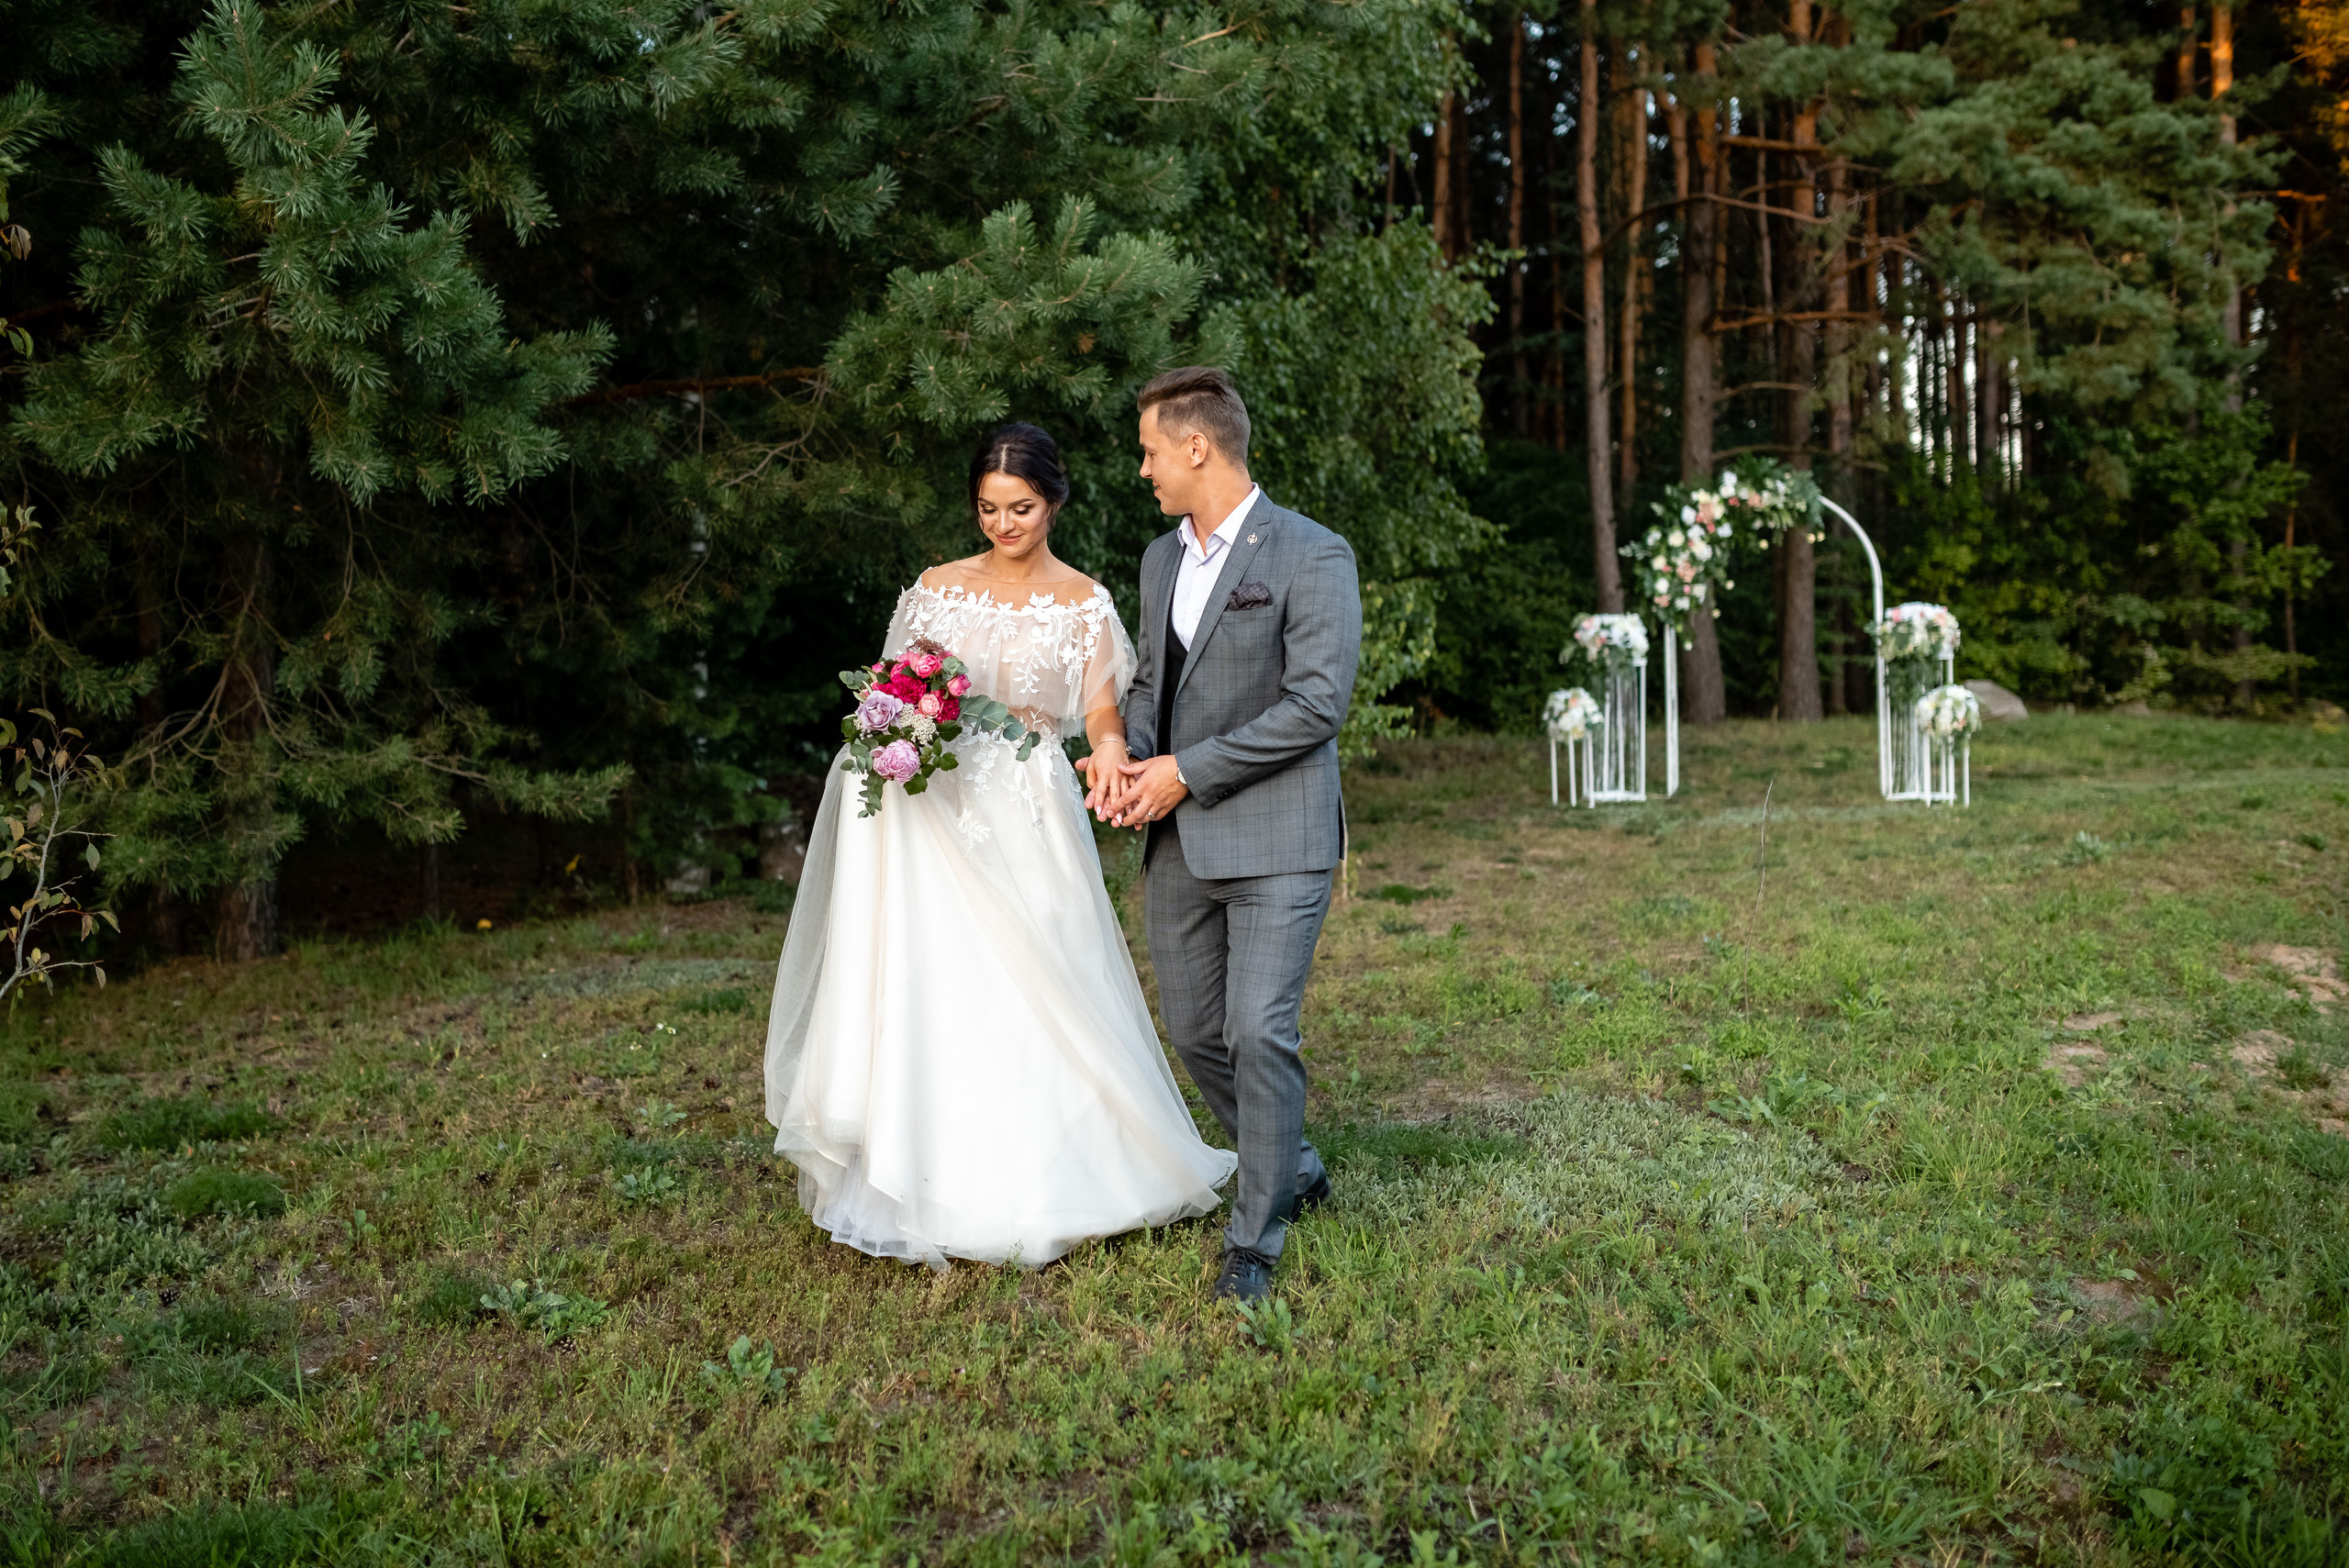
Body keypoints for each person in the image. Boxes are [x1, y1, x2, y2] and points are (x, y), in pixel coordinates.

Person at [763, 422, 1237, 1269]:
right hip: (925, 809)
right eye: (988, 508)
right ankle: (923, 1166)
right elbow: (889, 685)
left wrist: (1112, 753)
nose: (1003, 524)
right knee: (935, 977)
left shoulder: (1084, 602)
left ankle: (1055, 1169)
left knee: (1041, 977)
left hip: (1024, 803)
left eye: (1020, 507)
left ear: (1053, 500)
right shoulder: (935, 589)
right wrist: (896, 723)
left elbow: (1099, 711)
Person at [1088, 367, 1363, 1303]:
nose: (1143, 470)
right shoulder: (1160, 560)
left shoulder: (1313, 554)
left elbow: (1317, 704)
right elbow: (1151, 686)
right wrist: (1129, 760)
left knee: (1257, 1029)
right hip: (1178, 839)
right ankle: (1294, 1160)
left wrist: (1186, 771)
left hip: (1280, 837)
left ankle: (1255, 1239)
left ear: (1196, 446)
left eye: (1149, 451)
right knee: (1197, 1032)